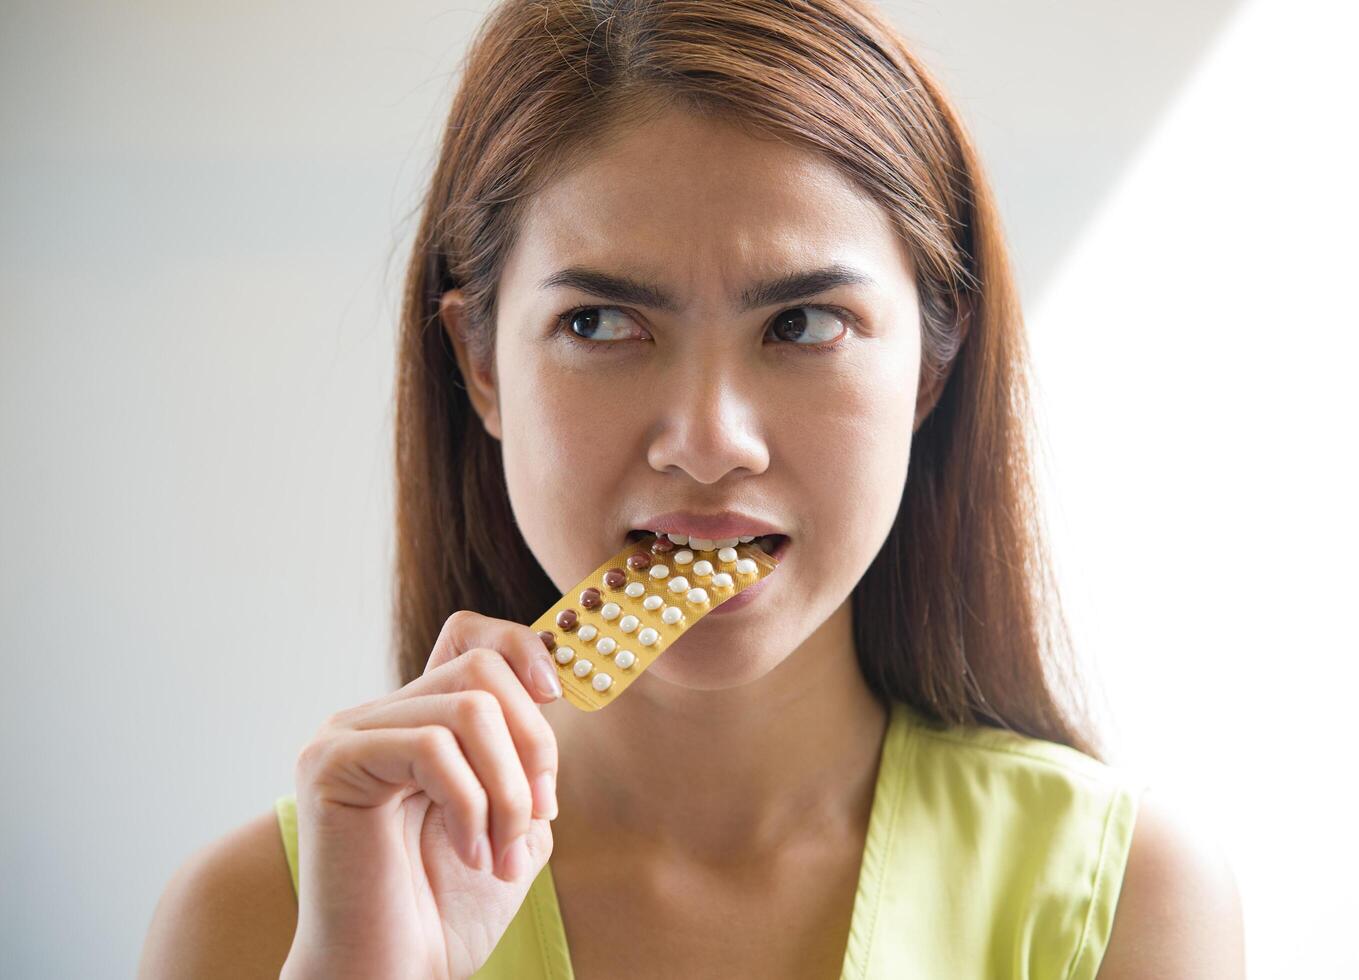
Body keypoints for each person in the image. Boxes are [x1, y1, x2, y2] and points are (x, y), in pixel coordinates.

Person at [140, 0, 1245, 976]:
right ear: (480, 364)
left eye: (804, 323)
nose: (710, 443)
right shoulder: (258, 921)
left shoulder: (1122, 907)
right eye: (601, 323)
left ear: (931, 361)